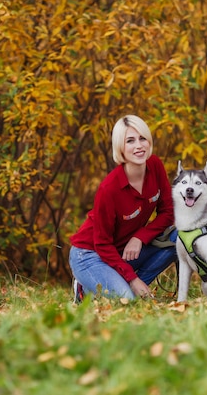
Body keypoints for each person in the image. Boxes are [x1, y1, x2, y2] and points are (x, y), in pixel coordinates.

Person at [69, 115, 177, 302]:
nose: (139, 146)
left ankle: (126, 287)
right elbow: (102, 244)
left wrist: (140, 237)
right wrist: (133, 278)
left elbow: (168, 212)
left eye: (142, 138)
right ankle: (84, 289)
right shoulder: (109, 189)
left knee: (179, 239)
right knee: (126, 301)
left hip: (124, 247)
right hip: (90, 254)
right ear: (121, 147)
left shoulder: (155, 166)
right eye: (130, 141)